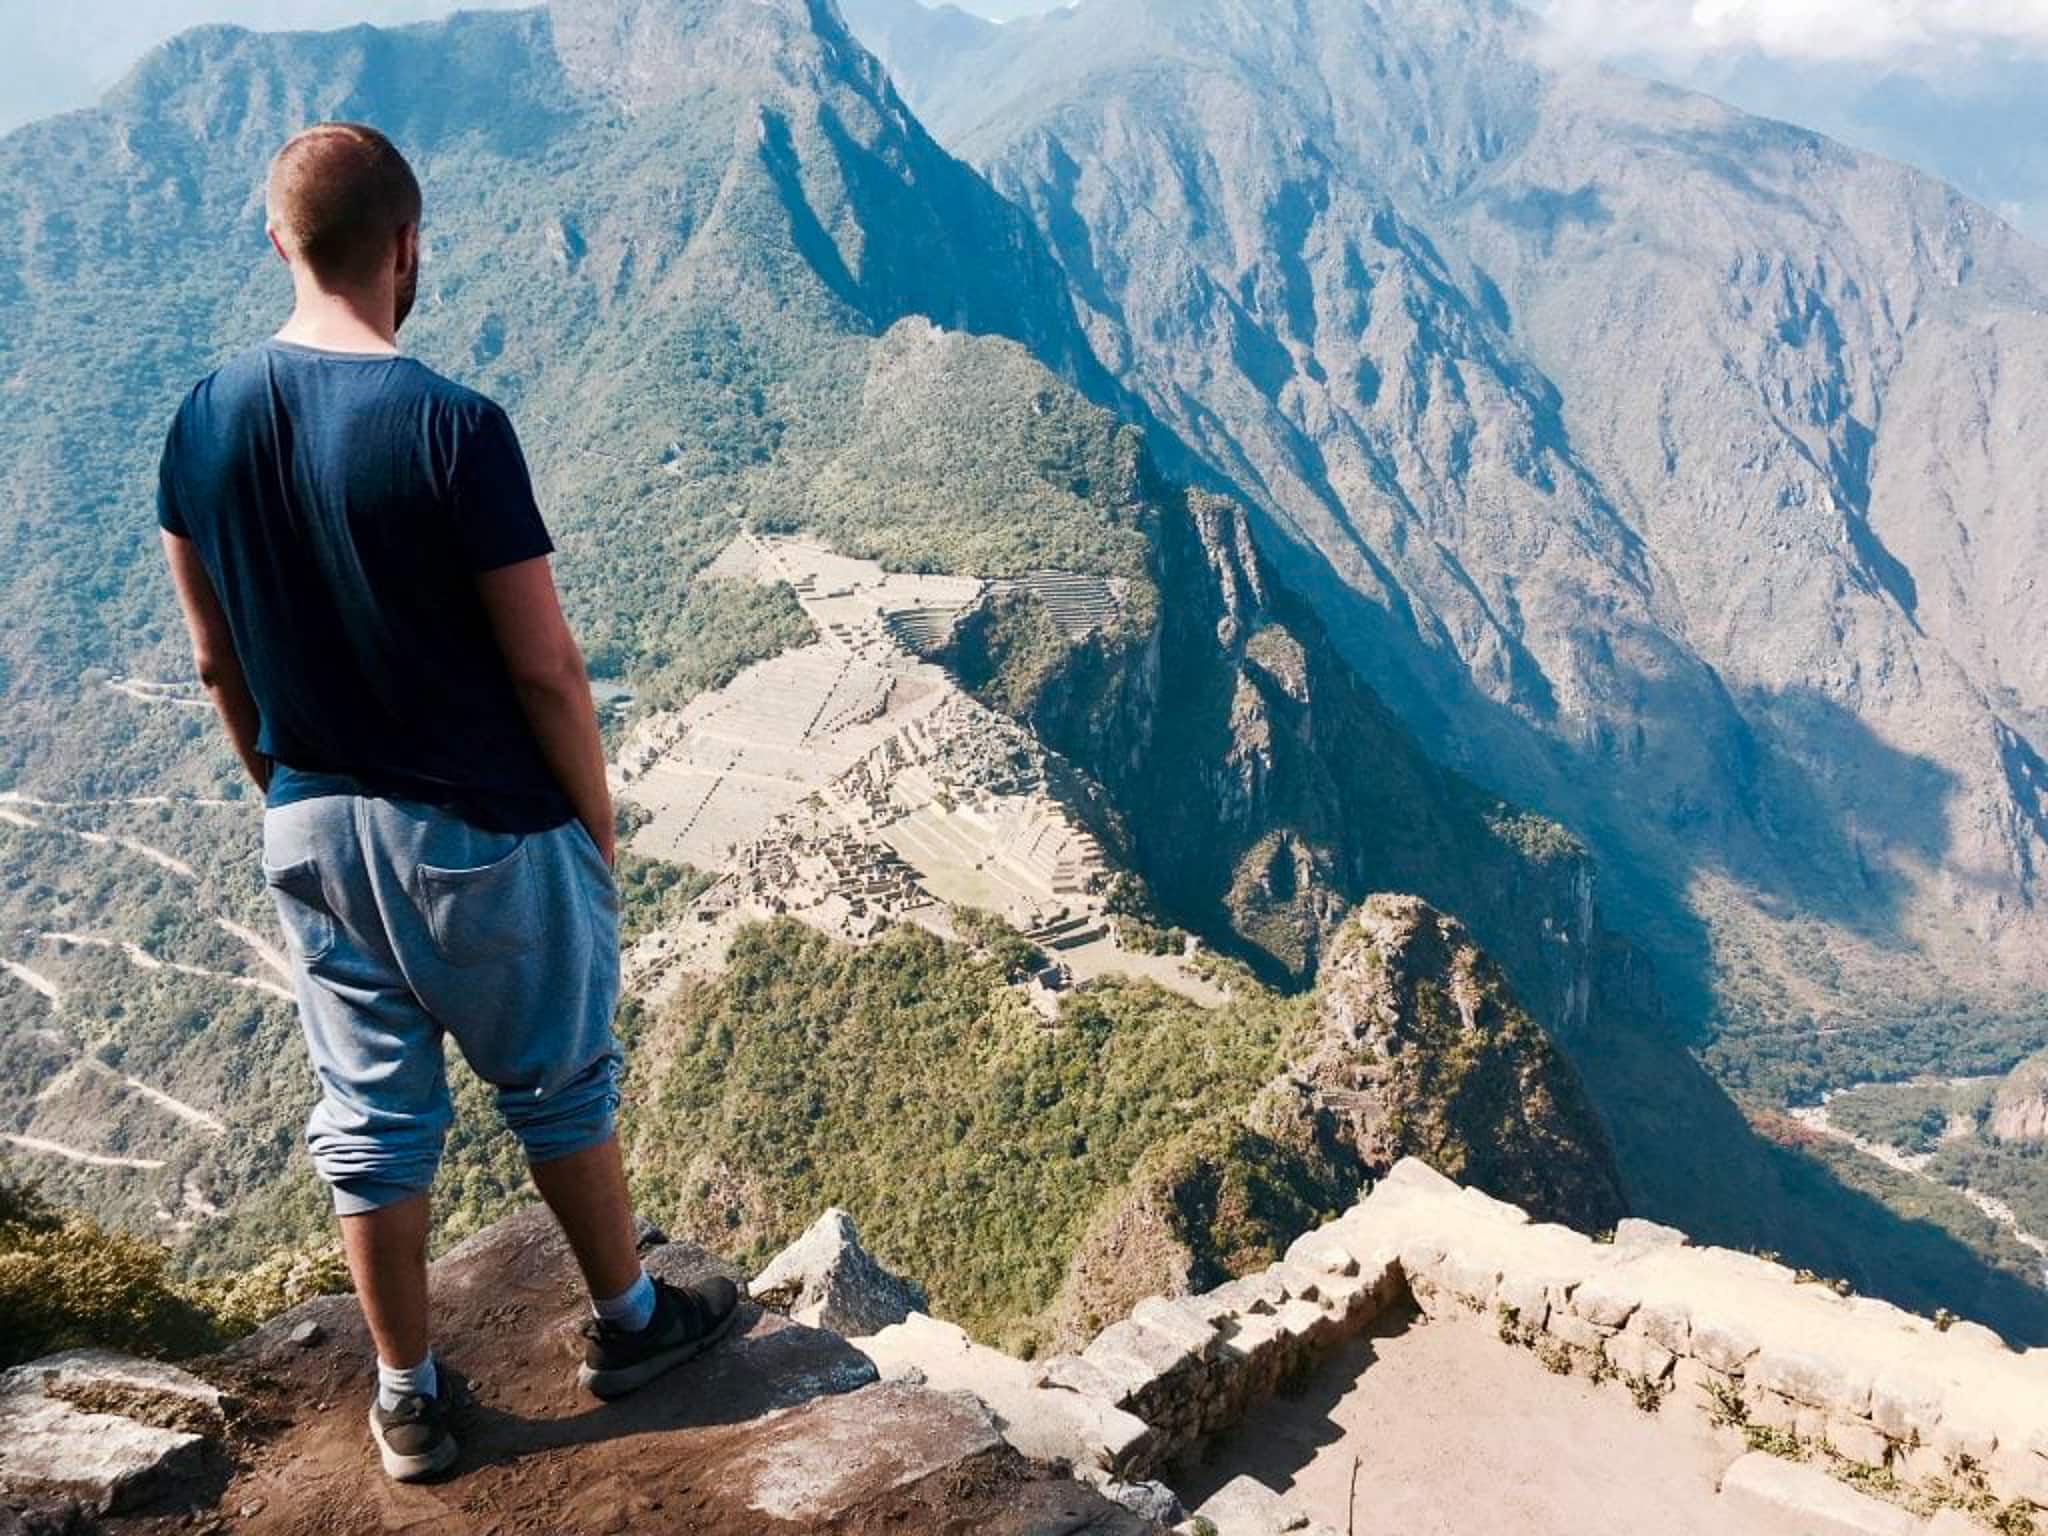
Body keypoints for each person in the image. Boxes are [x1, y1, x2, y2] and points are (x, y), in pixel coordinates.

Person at [155, 121, 739, 1483]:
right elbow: (544, 668)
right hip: (477, 822)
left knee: (367, 1118)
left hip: (308, 816)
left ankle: (408, 1397)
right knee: (560, 1080)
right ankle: (630, 1320)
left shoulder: (200, 420)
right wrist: (590, 832)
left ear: (278, 240)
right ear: (408, 246)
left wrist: (281, 787)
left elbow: (210, 653)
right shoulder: (451, 426)